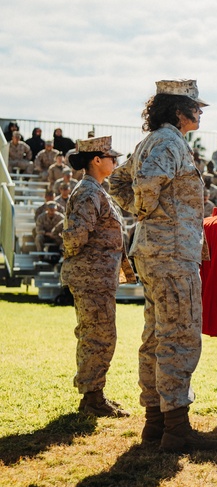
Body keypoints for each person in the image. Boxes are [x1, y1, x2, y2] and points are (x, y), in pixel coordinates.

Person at [109, 79, 217, 453]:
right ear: (178, 109)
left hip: (156, 251)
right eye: (195, 106)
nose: (200, 112)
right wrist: (146, 212)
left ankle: (155, 423)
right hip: (172, 253)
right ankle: (176, 428)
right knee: (178, 337)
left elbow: (117, 181)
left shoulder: (151, 141)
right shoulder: (170, 142)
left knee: (157, 337)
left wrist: (144, 215)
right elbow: (144, 182)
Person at [61, 136, 130, 418]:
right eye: (111, 157)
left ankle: (93, 395)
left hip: (98, 277)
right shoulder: (89, 192)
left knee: (97, 335)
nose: (115, 161)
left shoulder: (96, 190)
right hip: (92, 278)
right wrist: (88, 264)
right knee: (97, 337)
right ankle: (92, 398)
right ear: (97, 160)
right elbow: (75, 237)